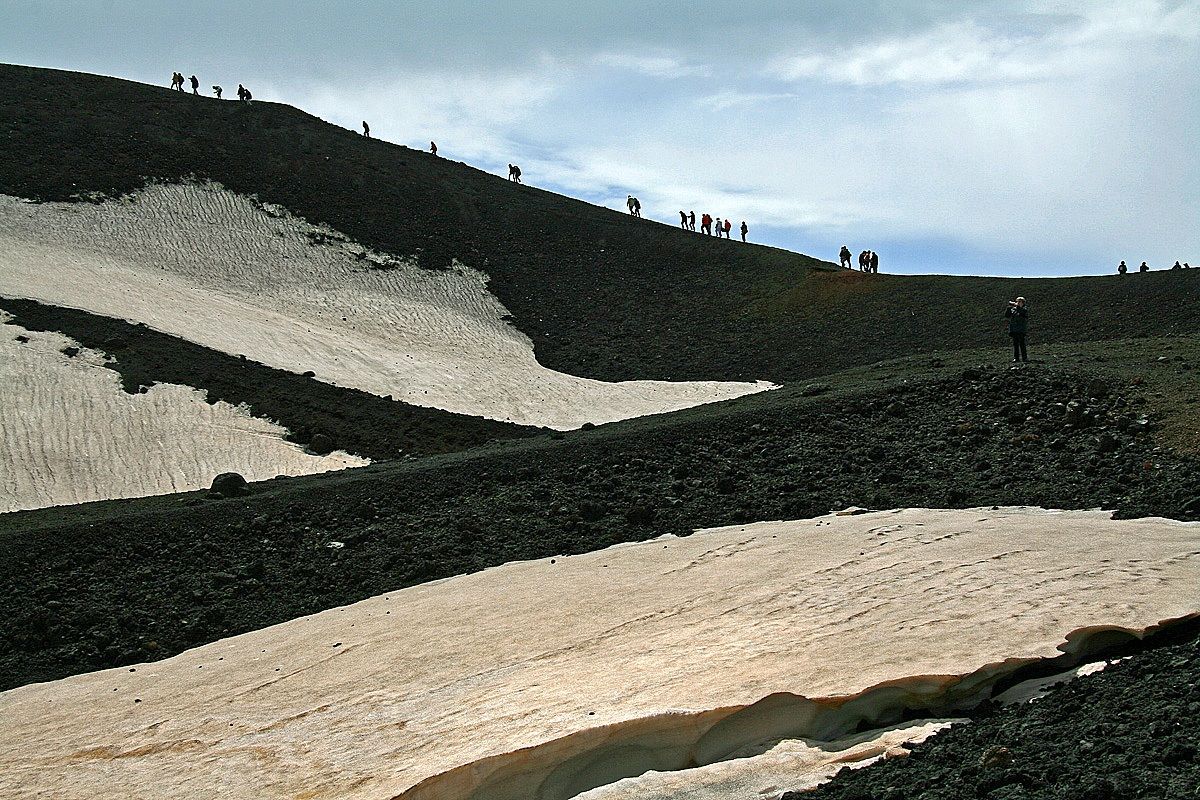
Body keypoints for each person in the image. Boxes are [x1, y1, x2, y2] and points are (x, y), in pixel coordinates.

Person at [1005, 296, 1029, 363]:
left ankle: (1024, 358)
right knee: (1015, 344)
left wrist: (1016, 306)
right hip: (1014, 329)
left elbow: (1022, 313)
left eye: (1019, 302)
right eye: (1017, 301)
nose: (1018, 303)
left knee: (1022, 344)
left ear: (1023, 303)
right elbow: (1007, 315)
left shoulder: (1024, 309)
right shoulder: (1013, 309)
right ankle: (1016, 358)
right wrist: (1009, 308)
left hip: (1021, 329)